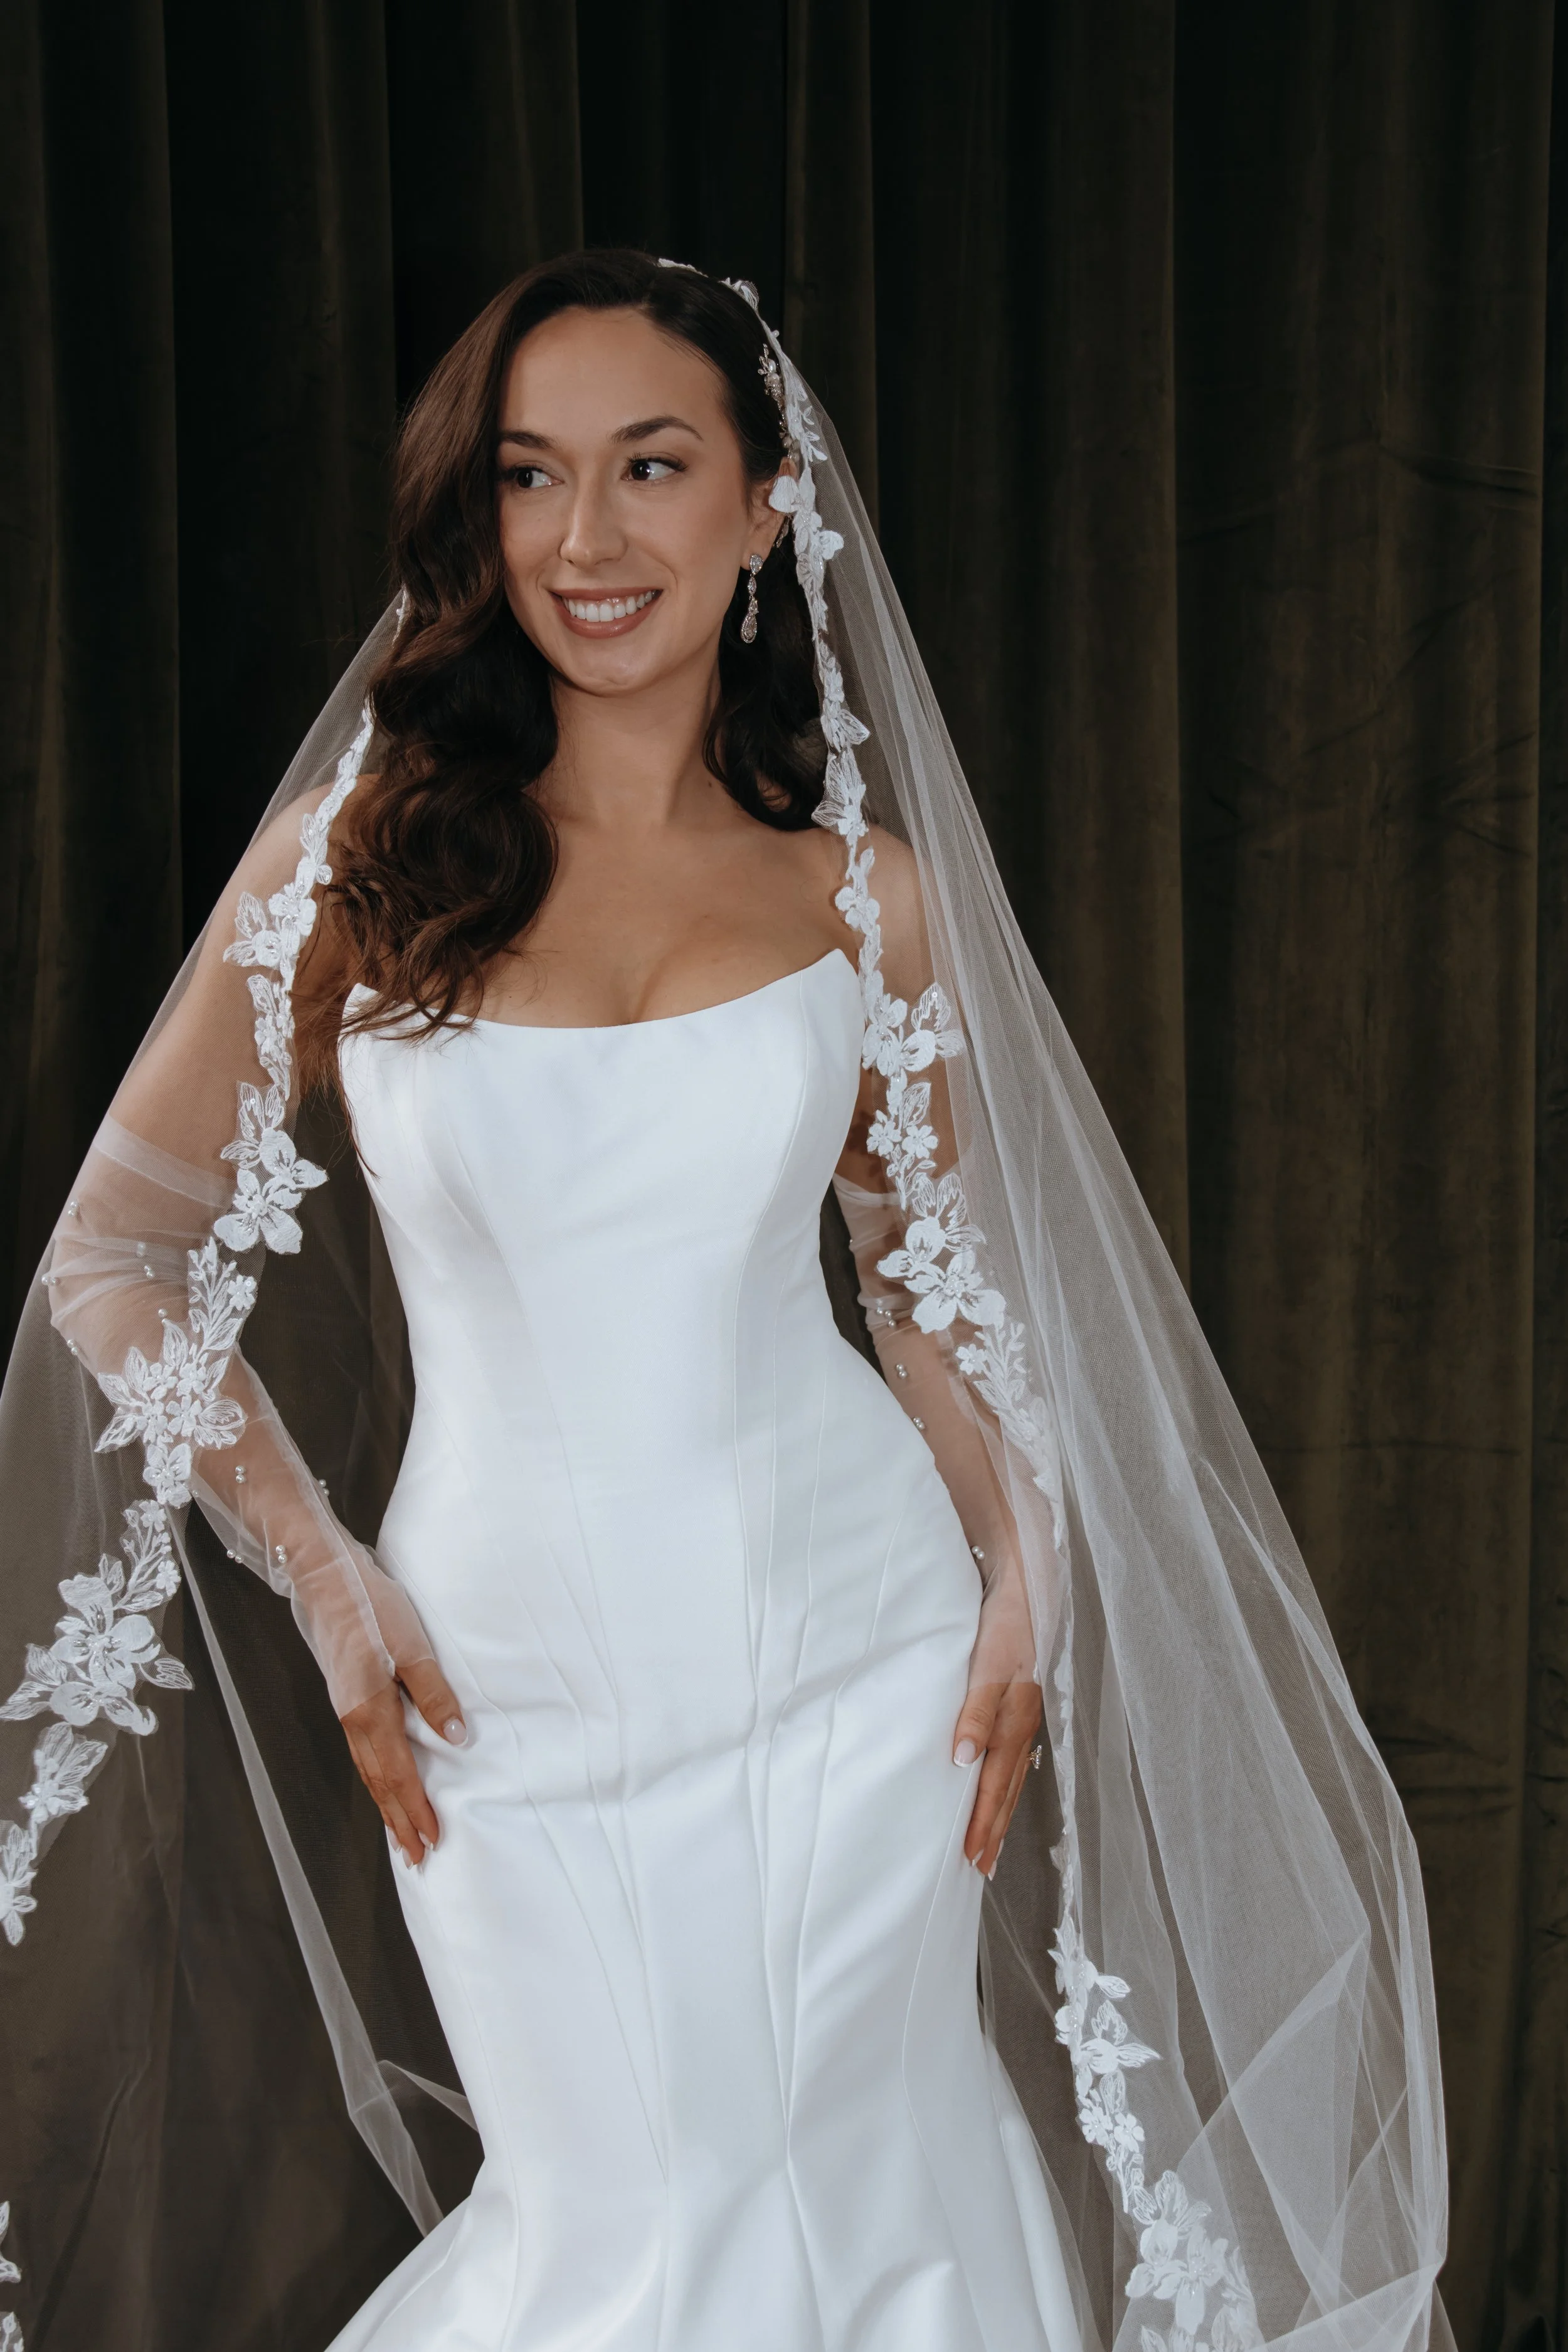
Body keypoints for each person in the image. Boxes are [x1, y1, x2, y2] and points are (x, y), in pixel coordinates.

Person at [0, 253, 1448, 2352]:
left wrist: (1030, 1558)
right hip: (505, 1680)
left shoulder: (864, 903)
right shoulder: (352, 867)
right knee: (623, 2219)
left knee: (870, 2189)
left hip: (861, 1652)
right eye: (528, 476)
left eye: (651, 467)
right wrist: (316, 1569)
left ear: (764, 506)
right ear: (477, 523)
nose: (588, 538)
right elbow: (110, 1262)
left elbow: (924, 1299)